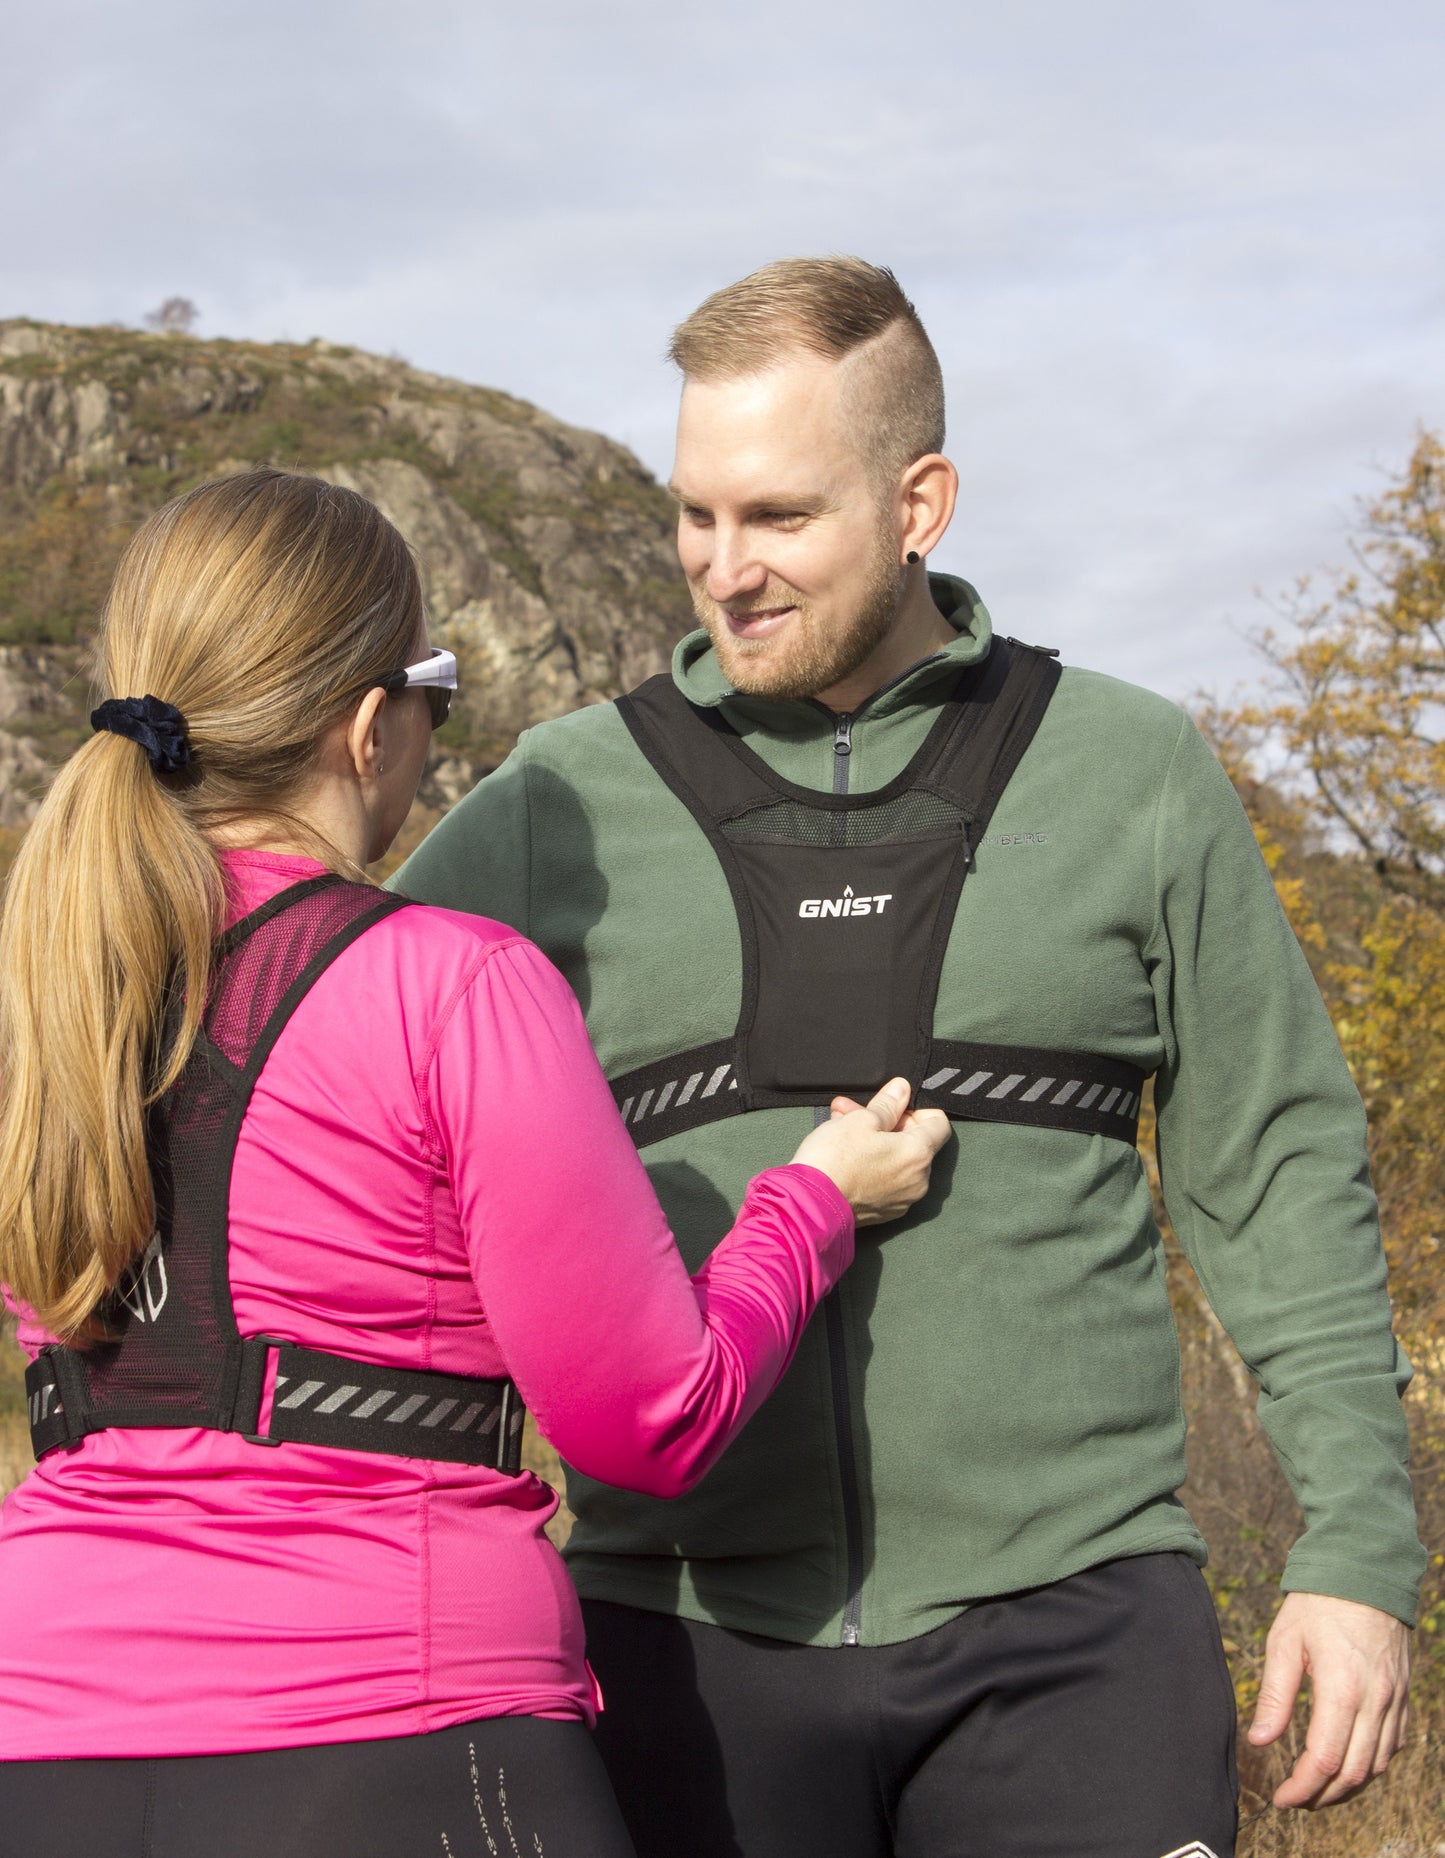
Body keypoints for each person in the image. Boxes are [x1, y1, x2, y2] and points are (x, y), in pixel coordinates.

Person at [396, 258, 1425, 1858]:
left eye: (779, 518)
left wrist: (1357, 1551)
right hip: (675, 1638)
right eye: (696, 514)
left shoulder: (1133, 771)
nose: (720, 571)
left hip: (1074, 1635)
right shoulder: (555, 805)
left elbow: (1278, 1171)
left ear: (918, 499)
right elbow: (314, 1104)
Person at [0, 467, 948, 1858]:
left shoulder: (50, 1002)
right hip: (395, 1729)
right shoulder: (449, 982)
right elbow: (651, 1417)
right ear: (369, 721)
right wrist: (810, 1202)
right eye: (433, 691)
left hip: (42, 1732)